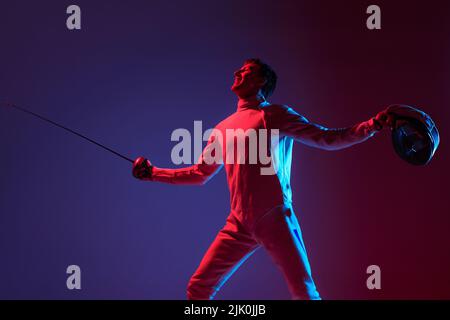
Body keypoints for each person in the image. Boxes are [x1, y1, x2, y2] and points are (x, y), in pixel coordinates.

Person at [132, 58, 392, 300]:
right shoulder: (222, 129)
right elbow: (199, 174)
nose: (237, 73)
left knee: (304, 293)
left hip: (274, 217)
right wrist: (154, 173)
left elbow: (328, 138)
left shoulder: (275, 115)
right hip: (238, 224)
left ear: (261, 82)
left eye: (246, 70)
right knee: (198, 288)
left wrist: (372, 125)